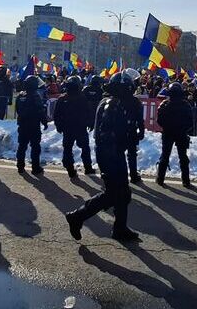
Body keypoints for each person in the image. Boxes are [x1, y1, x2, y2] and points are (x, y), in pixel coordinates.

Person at [65, 72, 140, 242]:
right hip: (110, 155)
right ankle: (77, 216)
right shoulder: (111, 105)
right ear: (121, 89)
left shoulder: (113, 102)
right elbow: (108, 134)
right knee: (113, 194)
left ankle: (120, 228)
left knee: (123, 193)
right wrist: (128, 137)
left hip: (113, 153)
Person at [53, 76, 95, 177]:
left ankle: (70, 168)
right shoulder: (81, 98)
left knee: (68, 148)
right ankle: (87, 167)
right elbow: (89, 112)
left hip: (70, 128)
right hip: (79, 127)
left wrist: (59, 126)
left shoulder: (64, 98)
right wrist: (90, 123)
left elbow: (56, 115)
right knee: (83, 147)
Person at [155, 82, 193, 187]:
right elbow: (190, 122)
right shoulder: (186, 105)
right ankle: (186, 181)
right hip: (181, 133)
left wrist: (167, 127)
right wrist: (183, 129)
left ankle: (160, 179)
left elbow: (159, 120)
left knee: (165, 156)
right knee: (183, 157)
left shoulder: (164, 104)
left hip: (168, 133)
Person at [15, 75, 48, 174]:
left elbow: (17, 109)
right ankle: (35, 167)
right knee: (35, 147)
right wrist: (44, 122)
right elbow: (40, 110)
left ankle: (20, 166)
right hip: (33, 125)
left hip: (22, 124)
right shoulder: (35, 95)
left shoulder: (20, 95)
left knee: (22, 146)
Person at [122, 68, 145, 184]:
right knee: (131, 153)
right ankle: (133, 175)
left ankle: (121, 174)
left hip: (120, 129)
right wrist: (141, 131)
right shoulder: (135, 101)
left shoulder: (114, 99)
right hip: (129, 130)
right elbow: (140, 118)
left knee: (121, 152)